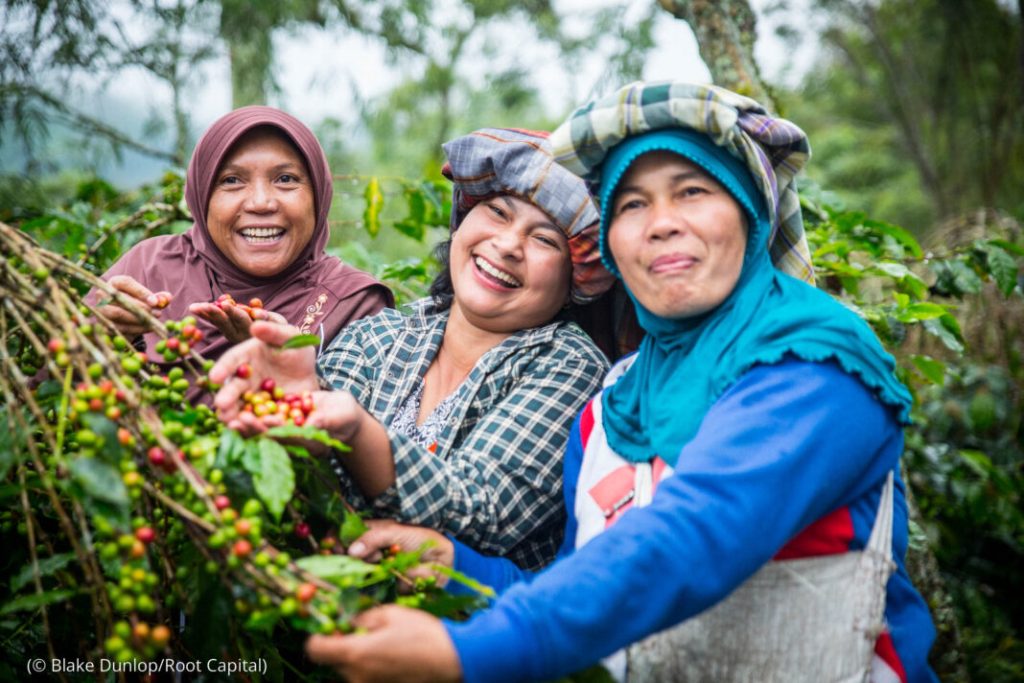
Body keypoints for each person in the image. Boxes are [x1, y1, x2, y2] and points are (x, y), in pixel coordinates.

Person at [302, 82, 939, 683]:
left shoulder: (814, 363)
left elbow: (687, 542)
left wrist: (468, 651)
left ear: (749, 213)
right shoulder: (613, 403)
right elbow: (583, 585)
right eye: (632, 203)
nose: (659, 222)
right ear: (610, 242)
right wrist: (456, 569)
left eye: (692, 191)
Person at [211, 128, 616, 570]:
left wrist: (355, 431)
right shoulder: (379, 335)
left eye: (545, 240)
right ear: (463, 222)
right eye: (498, 212)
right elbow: (311, 491)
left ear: (575, 280)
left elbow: (482, 510)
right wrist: (301, 387)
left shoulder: (573, 366)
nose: (507, 245)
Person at [93, 106, 392, 362]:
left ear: (318, 195)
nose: (261, 203)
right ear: (202, 196)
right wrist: (102, 336)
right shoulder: (148, 268)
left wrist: (283, 365)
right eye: (232, 180)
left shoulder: (354, 305)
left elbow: (363, 425)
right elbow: (54, 387)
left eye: (286, 179)